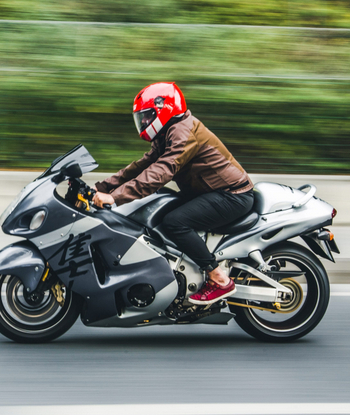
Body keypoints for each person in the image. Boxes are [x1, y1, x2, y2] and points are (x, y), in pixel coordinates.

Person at [92, 82, 254, 305]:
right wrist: (103, 187)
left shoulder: (182, 131)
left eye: (147, 116)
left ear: (164, 109)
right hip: (208, 191)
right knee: (157, 207)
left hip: (232, 195)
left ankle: (219, 278)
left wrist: (115, 197)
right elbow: (142, 165)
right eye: (142, 117)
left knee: (175, 222)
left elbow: (163, 170)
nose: (144, 122)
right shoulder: (168, 131)